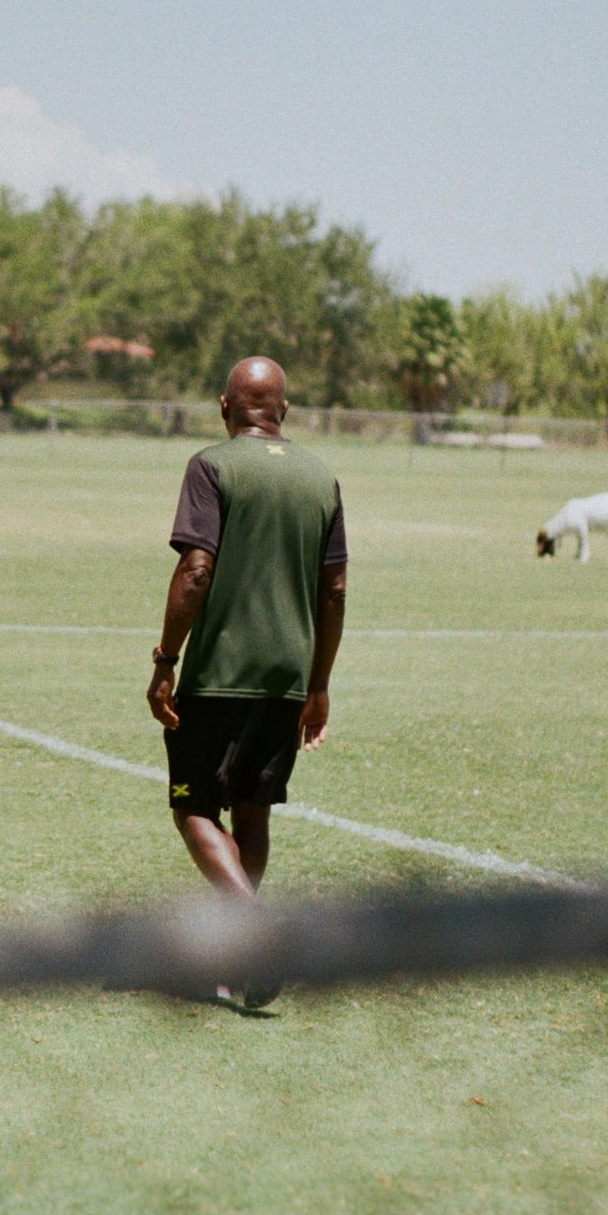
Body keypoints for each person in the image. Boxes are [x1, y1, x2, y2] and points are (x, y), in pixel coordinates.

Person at [146, 355, 348, 1008]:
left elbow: (196, 570)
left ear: (224, 407)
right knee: (252, 812)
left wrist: (166, 660)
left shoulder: (212, 466)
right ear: (284, 410)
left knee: (194, 808)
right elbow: (334, 589)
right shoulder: (321, 477)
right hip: (287, 677)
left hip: (218, 674)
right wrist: (318, 685)